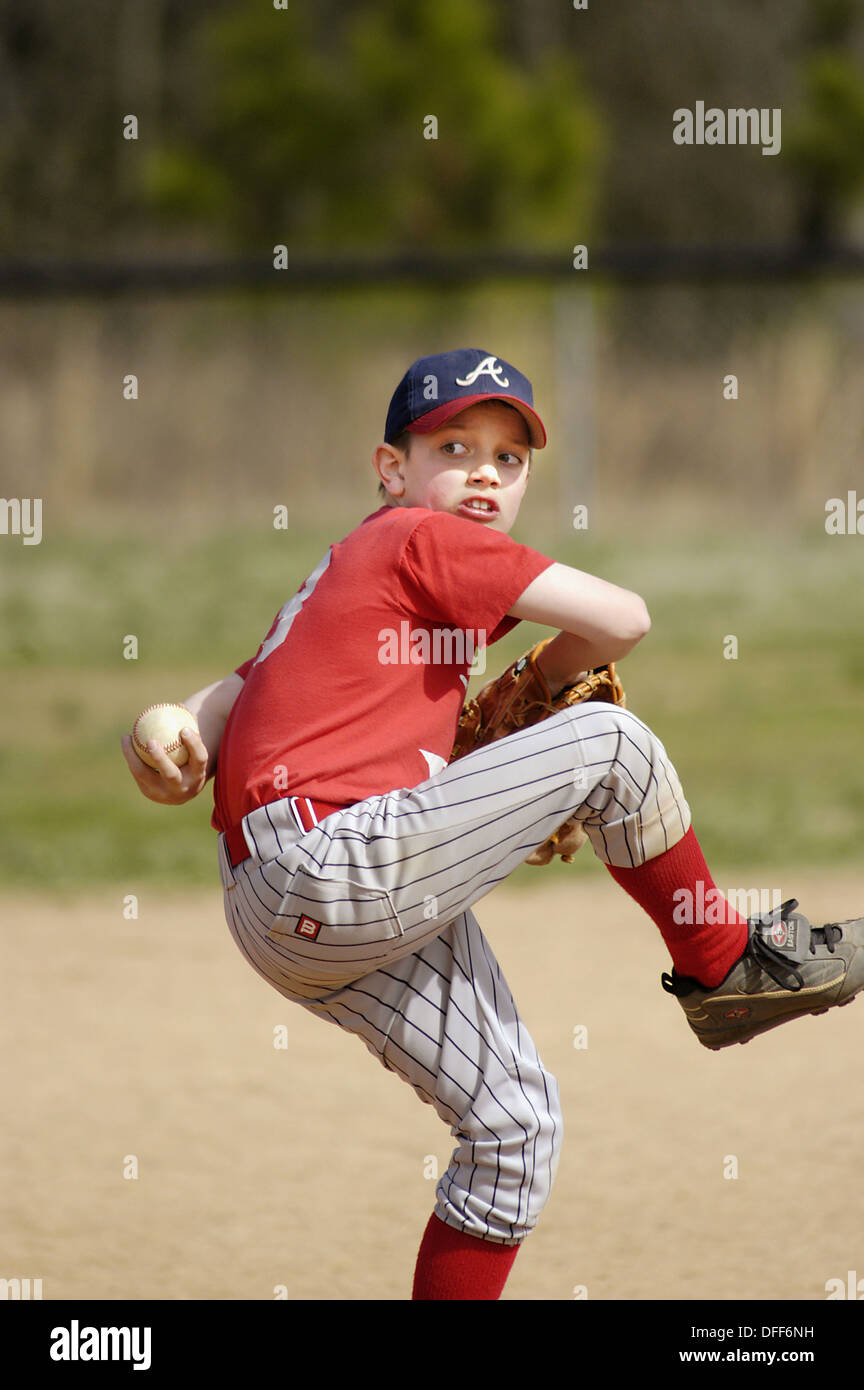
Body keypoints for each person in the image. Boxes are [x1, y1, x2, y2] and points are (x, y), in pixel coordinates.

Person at [122, 347, 864, 1301]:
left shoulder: (357, 563)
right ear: (393, 470)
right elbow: (624, 617)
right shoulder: (418, 540)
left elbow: (233, 694)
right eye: (455, 445)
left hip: (285, 908)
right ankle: (725, 968)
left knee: (514, 1129)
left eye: (509, 459)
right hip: (332, 862)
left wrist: (175, 742)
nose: (484, 471)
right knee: (608, 744)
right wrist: (545, 685)